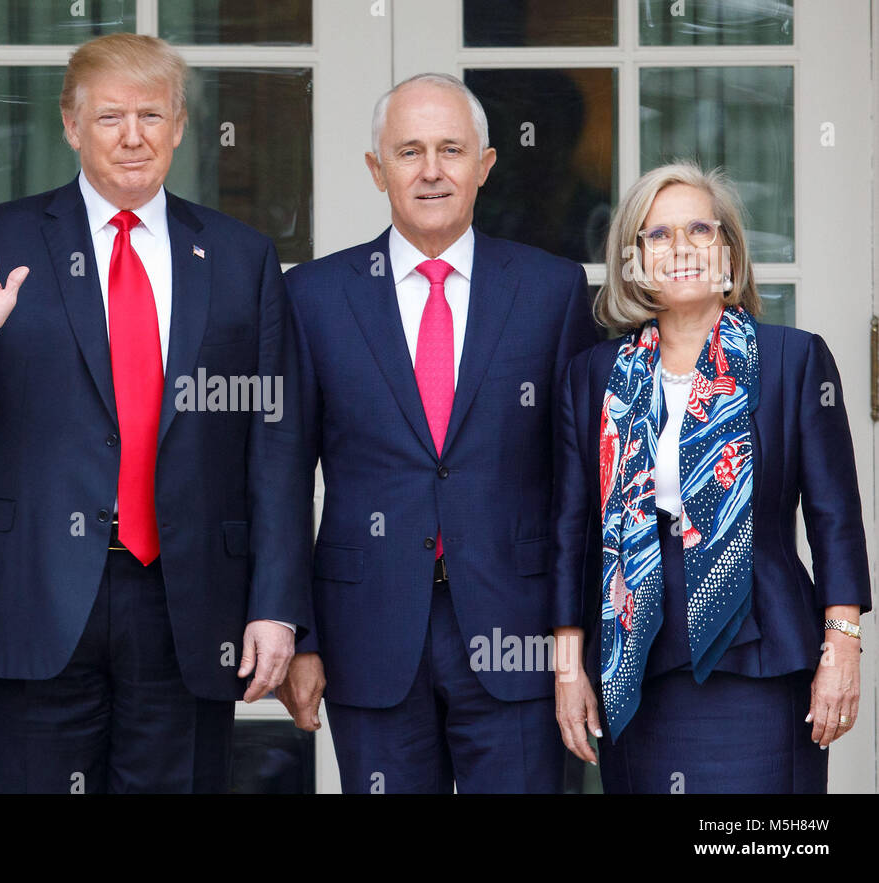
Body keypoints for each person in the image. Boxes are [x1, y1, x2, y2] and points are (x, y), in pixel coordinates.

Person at [0, 33, 311, 793]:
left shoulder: (238, 256)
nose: (133, 137)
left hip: (186, 605)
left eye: (152, 116)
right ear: (70, 125)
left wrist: (278, 606)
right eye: (111, 117)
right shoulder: (4, 238)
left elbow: (276, 445)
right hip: (32, 594)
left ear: (181, 126)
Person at [275, 73, 597, 793]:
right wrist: (301, 634)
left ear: (484, 165)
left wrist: (575, 639)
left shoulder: (551, 290)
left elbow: (578, 481)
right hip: (369, 631)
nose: (430, 170)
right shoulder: (314, 297)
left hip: (519, 630)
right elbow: (282, 478)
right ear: (376, 169)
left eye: (451, 149)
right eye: (409, 150)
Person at [551, 161, 869, 793]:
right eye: (659, 235)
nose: (683, 248)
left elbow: (835, 518)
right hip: (635, 661)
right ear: (633, 259)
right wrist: (567, 668)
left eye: (701, 228)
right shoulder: (594, 375)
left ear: (728, 248)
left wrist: (844, 647)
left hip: (762, 659)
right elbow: (571, 530)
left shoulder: (792, 359)